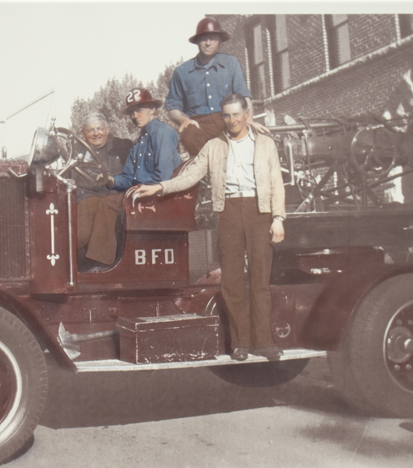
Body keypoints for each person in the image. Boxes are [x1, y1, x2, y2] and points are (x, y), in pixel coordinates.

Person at [134, 93, 286, 360]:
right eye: (226, 115)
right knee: (233, 281)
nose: (231, 120)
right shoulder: (214, 146)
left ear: (246, 114)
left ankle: (264, 342)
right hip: (227, 212)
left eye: (236, 114)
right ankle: (241, 344)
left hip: (259, 212)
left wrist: (278, 219)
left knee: (260, 280)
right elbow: (191, 175)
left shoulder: (264, 144)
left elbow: (276, 181)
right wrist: (160, 187)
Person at [77, 87, 181, 269]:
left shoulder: (163, 133)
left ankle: (102, 263)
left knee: (107, 204)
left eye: (139, 110)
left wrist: (133, 188)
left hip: (156, 197)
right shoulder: (139, 142)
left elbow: (162, 177)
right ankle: (76, 256)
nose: (135, 116)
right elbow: (127, 177)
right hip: (138, 194)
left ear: (153, 109)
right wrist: (111, 180)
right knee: (91, 203)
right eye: (131, 112)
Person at [165, 16, 269, 157]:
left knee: (252, 139)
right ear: (197, 42)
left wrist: (249, 120)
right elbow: (173, 108)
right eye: (203, 39)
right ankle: (207, 174)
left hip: (227, 119)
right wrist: (183, 120)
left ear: (220, 41)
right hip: (198, 124)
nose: (208, 43)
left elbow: (244, 97)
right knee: (188, 134)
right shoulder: (182, 72)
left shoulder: (231, 63)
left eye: (213, 38)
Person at [73, 113, 133, 203]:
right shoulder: (75, 150)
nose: (96, 134)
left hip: (114, 201)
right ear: (82, 134)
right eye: (90, 130)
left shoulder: (121, 146)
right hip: (84, 202)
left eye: (100, 129)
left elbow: (131, 176)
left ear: (107, 130)